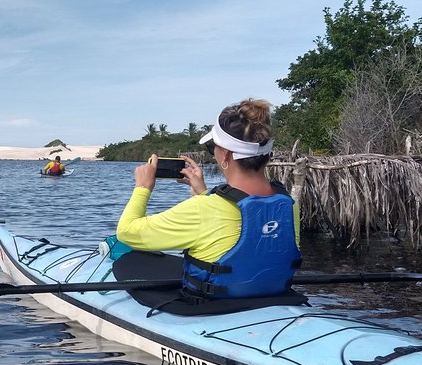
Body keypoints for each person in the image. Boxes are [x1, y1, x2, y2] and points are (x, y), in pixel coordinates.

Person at [114, 98, 301, 302]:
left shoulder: (202, 209)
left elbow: (126, 232)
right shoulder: (289, 205)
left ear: (225, 155)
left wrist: (143, 188)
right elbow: (242, 233)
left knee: (131, 259)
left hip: (214, 305)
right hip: (272, 296)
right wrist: (203, 192)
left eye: (213, 147)